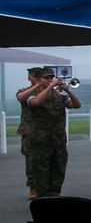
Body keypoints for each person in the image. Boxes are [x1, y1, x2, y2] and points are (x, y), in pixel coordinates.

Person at [26, 67, 82, 198]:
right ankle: (42, 199)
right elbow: (36, 102)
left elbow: (77, 105)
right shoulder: (32, 95)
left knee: (58, 170)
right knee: (41, 172)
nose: (50, 80)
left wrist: (67, 89)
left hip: (58, 140)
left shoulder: (60, 97)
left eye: (51, 78)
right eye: (47, 78)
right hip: (41, 142)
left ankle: (54, 197)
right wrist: (50, 87)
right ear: (39, 80)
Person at [16, 67, 43, 199]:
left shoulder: (49, 91)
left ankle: (48, 187)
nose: (36, 78)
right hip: (29, 130)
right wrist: (37, 86)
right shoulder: (24, 91)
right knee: (31, 160)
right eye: (34, 76)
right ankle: (33, 187)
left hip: (46, 131)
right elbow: (21, 98)